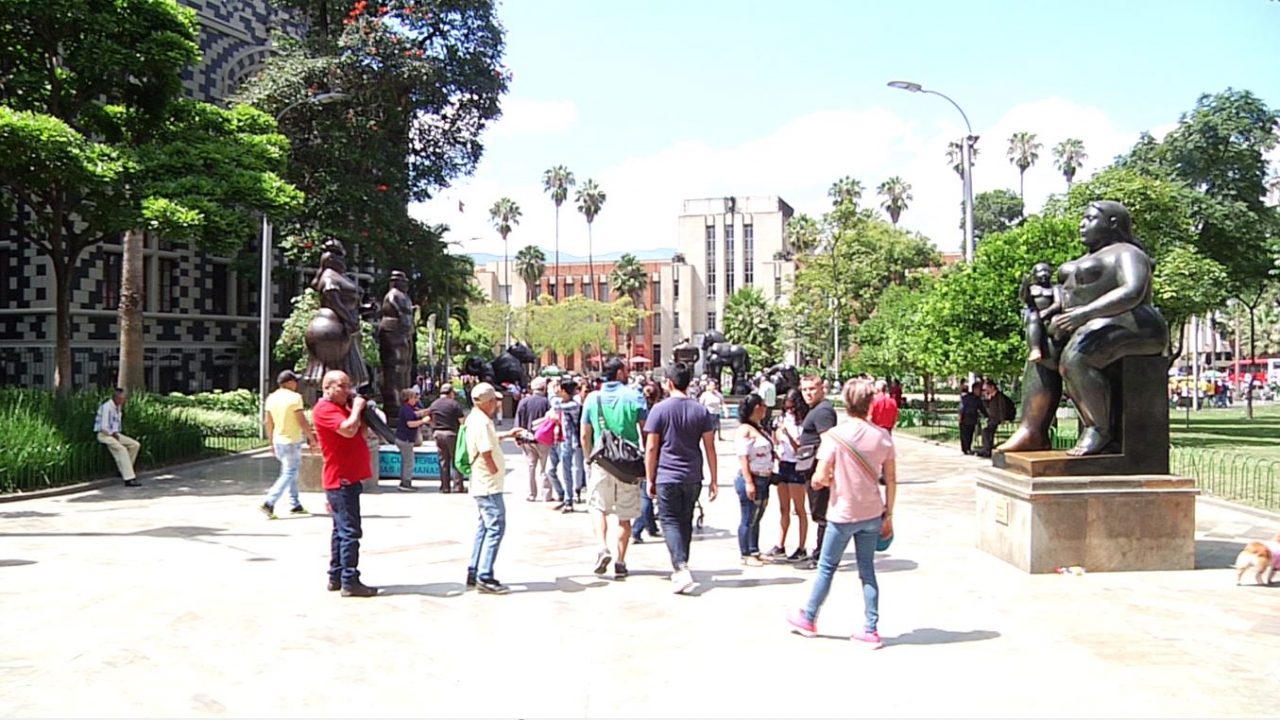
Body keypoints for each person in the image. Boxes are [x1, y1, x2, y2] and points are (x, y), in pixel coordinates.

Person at [999, 201, 1169, 456]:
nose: (1082, 224)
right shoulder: (1087, 258)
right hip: (1091, 322)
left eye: (1090, 219)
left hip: (1136, 322)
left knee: (1077, 355)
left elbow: (1132, 291)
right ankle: (1032, 429)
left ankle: (1099, 428)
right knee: (1042, 353)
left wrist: (1084, 314)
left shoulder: (1128, 253)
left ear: (1112, 223)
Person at [786, 379, 896, 649]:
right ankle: (871, 628)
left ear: (846, 402)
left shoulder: (835, 437)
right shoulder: (883, 437)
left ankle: (809, 617)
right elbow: (891, 480)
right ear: (871, 403)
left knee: (826, 568)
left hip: (842, 512)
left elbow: (820, 477)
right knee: (867, 570)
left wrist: (822, 480)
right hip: (872, 513)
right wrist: (889, 514)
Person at [643, 361, 718, 594]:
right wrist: (714, 478)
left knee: (669, 521)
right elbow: (709, 446)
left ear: (669, 382)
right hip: (692, 474)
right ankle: (681, 567)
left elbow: (651, 448)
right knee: (684, 520)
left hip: (667, 473)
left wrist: (649, 477)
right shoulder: (700, 410)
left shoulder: (659, 410)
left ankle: (680, 566)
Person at [312, 370, 378, 597]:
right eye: (342, 386)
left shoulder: (342, 407)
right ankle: (350, 580)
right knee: (350, 531)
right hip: (341, 480)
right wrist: (358, 408)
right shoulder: (324, 409)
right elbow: (348, 431)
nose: (348, 390)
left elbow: (359, 430)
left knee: (340, 531)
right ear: (327, 387)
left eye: (349, 385)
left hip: (349, 478)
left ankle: (336, 575)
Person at [581, 357, 648, 580]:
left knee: (597, 507)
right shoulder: (634, 395)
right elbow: (645, 430)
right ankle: (621, 561)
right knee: (624, 516)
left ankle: (602, 547)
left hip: (602, 461)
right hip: (627, 465)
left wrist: (588, 458)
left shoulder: (592, 398)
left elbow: (584, 435)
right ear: (620, 373)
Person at [465, 382, 521, 594]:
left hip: (482, 482)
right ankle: (485, 575)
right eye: (495, 401)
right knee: (496, 526)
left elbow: (488, 441)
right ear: (488, 402)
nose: (497, 405)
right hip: (488, 484)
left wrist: (507, 435)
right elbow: (486, 450)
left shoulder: (475, 418)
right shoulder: (482, 423)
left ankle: (475, 567)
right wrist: (495, 469)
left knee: (484, 527)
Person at [260, 370, 317, 517]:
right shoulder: (295, 398)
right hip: (291, 441)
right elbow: (301, 420)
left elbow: (268, 422)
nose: (297, 384)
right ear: (289, 382)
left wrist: (270, 441)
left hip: (278, 441)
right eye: (295, 381)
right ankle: (269, 502)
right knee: (289, 472)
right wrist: (311, 437)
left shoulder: (271, 398)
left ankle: (295, 504)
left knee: (291, 472)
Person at [797, 375, 839, 571]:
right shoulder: (815, 410)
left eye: (812, 388)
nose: (808, 393)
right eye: (805, 389)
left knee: (821, 513)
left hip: (817, 467)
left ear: (822, 388)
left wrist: (823, 471)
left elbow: (828, 442)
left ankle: (821, 555)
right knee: (818, 512)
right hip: (810, 465)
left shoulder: (823, 411)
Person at [768, 389, 810, 561]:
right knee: (783, 508)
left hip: (797, 465)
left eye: (792, 407)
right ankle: (781, 544)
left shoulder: (802, 423)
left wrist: (787, 433)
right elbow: (775, 442)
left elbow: (799, 447)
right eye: (787, 406)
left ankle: (801, 546)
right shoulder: (781, 419)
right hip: (783, 464)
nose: (789, 410)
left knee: (799, 509)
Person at [734, 393, 774, 566]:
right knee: (748, 517)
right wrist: (749, 481)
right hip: (752, 477)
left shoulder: (758, 428)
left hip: (764, 477)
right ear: (757, 407)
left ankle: (754, 548)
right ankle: (745, 553)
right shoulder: (744, 430)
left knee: (757, 516)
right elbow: (743, 457)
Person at [631, 381, 665, 543]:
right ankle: (637, 529)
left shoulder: (642, 411)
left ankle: (650, 526)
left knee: (646, 493)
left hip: (642, 453)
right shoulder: (659, 411)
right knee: (647, 494)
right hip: (656, 454)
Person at [94, 388, 142, 487]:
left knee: (135, 445)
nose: (124, 401)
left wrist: (116, 433)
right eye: (122, 398)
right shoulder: (107, 407)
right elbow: (104, 426)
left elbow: (116, 422)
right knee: (122, 449)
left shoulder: (118, 407)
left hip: (114, 433)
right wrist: (112, 434)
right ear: (116, 398)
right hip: (105, 435)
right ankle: (129, 478)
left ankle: (123, 470)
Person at [515, 377, 553, 502]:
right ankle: (546, 494)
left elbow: (519, 421)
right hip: (544, 439)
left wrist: (518, 437)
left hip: (527, 438)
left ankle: (531, 494)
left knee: (530, 467)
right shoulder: (547, 402)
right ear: (544, 388)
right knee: (544, 467)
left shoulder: (524, 402)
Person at [427, 384, 466, 493]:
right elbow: (462, 421)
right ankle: (458, 486)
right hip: (451, 434)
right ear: (451, 393)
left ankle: (445, 487)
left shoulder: (434, 404)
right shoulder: (454, 404)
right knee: (456, 460)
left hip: (438, 434)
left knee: (443, 461)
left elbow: (430, 419)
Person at [553, 379, 585, 512]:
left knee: (570, 470)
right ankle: (568, 497)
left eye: (560, 388)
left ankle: (569, 498)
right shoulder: (566, 402)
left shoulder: (573, 405)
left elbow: (555, 406)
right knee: (565, 470)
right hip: (564, 440)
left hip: (572, 442)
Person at [394, 387, 430, 492]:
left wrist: (426, 411)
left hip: (404, 439)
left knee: (406, 461)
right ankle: (406, 483)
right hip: (405, 439)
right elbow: (410, 423)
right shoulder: (406, 409)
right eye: (414, 397)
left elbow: (416, 414)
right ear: (408, 398)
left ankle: (404, 481)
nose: (416, 399)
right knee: (409, 462)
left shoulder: (409, 408)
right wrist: (423, 421)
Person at [977, 381, 1014, 458]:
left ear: (992, 387)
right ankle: (987, 449)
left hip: (997, 419)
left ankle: (987, 450)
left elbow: (1002, 408)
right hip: (992, 419)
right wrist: (986, 399)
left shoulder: (999, 396)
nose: (986, 390)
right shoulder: (992, 397)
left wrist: (1003, 419)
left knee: (986, 431)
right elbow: (988, 407)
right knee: (987, 432)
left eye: (987, 388)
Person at [958, 382, 987, 456]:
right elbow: (962, 408)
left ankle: (967, 448)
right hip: (965, 417)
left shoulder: (977, 399)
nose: (979, 391)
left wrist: (986, 415)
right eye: (978, 389)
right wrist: (960, 416)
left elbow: (981, 408)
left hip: (972, 418)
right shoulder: (966, 397)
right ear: (974, 389)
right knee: (964, 434)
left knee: (970, 433)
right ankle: (965, 448)